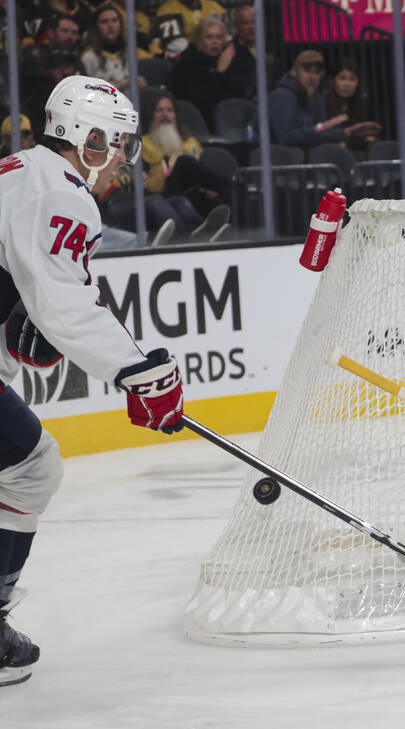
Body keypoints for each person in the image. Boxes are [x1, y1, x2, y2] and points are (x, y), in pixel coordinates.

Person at [0, 76, 186, 687]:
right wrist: (141, 372)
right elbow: (67, 305)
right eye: (120, 144)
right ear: (90, 138)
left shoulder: (23, 171)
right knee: (31, 469)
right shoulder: (61, 193)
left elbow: (38, 291)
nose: (125, 160)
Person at [140, 90, 230, 222]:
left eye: (169, 110)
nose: (165, 114)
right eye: (159, 110)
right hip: (163, 195)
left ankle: (228, 192)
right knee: (183, 162)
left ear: (175, 115)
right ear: (151, 115)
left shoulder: (191, 143)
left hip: (194, 194)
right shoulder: (143, 144)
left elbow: (202, 172)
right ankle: (228, 187)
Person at [268, 50, 379, 150]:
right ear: (294, 72)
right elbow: (286, 139)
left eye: (316, 72)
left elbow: (320, 137)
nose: (312, 76)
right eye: (307, 70)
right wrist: (321, 127)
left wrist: (347, 132)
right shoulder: (282, 95)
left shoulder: (318, 99)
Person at [168, 16, 247, 128]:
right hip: (197, 123)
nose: (214, 42)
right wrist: (219, 72)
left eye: (218, 37)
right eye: (209, 37)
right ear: (199, 40)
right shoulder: (185, 66)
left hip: (232, 123)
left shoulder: (230, 61)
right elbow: (200, 99)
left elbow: (240, 93)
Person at [80, 2, 149, 93]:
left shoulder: (129, 52)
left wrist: (141, 83)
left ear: (120, 25)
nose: (110, 25)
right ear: (96, 27)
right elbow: (85, 90)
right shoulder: (89, 57)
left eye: (114, 21)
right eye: (104, 22)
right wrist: (115, 86)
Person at [323, 57, 376, 153]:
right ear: (331, 81)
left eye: (352, 79)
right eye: (342, 78)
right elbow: (319, 132)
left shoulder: (363, 104)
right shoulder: (322, 104)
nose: (347, 84)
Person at [154, 0, 226, 43]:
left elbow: (224, 34)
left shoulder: (212, 6)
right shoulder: (167, 10)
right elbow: (175, 45)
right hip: (184, 56)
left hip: (214, 52)